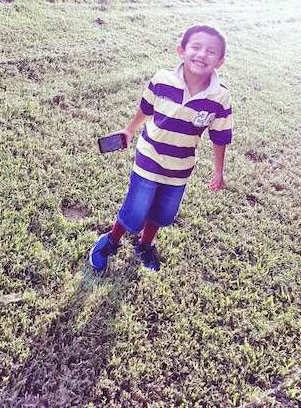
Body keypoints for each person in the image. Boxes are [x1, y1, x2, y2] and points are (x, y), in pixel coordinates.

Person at [89, 24, 232, 273]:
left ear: (219, 61)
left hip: (180, 167)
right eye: (196, 47)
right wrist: (129, 130)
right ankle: (111, 241)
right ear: (181, 50)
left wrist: (218, 171)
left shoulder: (219, 96)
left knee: (163, 214)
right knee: (135, 212)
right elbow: (146, 108)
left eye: (211, 52)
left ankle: (145, 245)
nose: (202, 55)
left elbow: (219, 136)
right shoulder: (163, 79)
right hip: (149, 157)